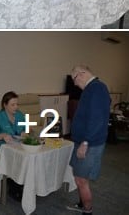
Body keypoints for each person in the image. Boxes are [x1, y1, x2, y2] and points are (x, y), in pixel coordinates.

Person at [66, 65, 111, 215]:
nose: (74, 83)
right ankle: (81, 204)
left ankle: (87, 211)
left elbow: (96, 120)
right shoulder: (91, 89)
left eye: (74, 78)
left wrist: (85, 142)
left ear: (82, 74)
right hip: (83, 141)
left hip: (89, 143)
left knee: (81, 180)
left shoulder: (97, 88)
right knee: (79, 174)